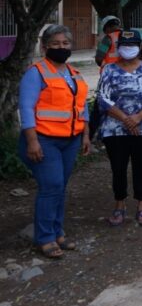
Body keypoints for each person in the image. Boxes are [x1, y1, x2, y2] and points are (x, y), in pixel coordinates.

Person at [18, 25, 91, 258]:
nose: (61, 47)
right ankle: (45, 238)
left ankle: (58, 232)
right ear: (45, 46)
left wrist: (86, 135)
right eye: (56, 44)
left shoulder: (73, 73)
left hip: (70, 141)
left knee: (60, 187)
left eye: (65, 43)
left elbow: (82, 107)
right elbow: (26, 108)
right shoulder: (36, 72)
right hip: (43, 140)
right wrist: (32, 141)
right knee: (51, 187)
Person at [97, 29, 142, 227]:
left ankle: (141, 207)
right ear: (118, 48)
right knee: (118, 169)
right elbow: (103, 98)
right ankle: (119, 206)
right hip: (114, 130)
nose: (128, 49)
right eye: (124, 46)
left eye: (132, 46)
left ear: (140, 47)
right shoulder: (109, 70)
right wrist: (127, 119)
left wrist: (139, 117)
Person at [90, 16, 122, 138]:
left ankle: (89, 137)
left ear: (106, 27)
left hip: (109, 78)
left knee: (99, 107)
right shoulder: (129, 36)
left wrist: (104, 65)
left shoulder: (108, 39)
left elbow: (99, 58)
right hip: (127, 77)